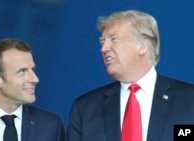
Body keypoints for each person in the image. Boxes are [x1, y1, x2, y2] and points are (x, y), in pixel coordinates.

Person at [66, 10, 194, 141]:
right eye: (102, 41)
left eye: (114, 39)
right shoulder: (85, 108)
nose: (104, 48)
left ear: (142, 46)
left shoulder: (189, 100)